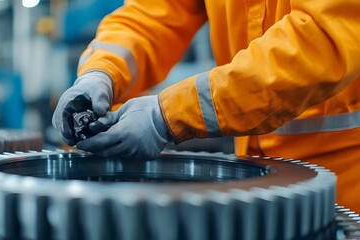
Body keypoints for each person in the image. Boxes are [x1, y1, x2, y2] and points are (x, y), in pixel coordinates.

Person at [53, 0, 360, 213]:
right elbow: (154, 14)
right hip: (264, 183)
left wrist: (168, 114)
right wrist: (102, 72)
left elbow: (320, 43)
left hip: (346, 190)